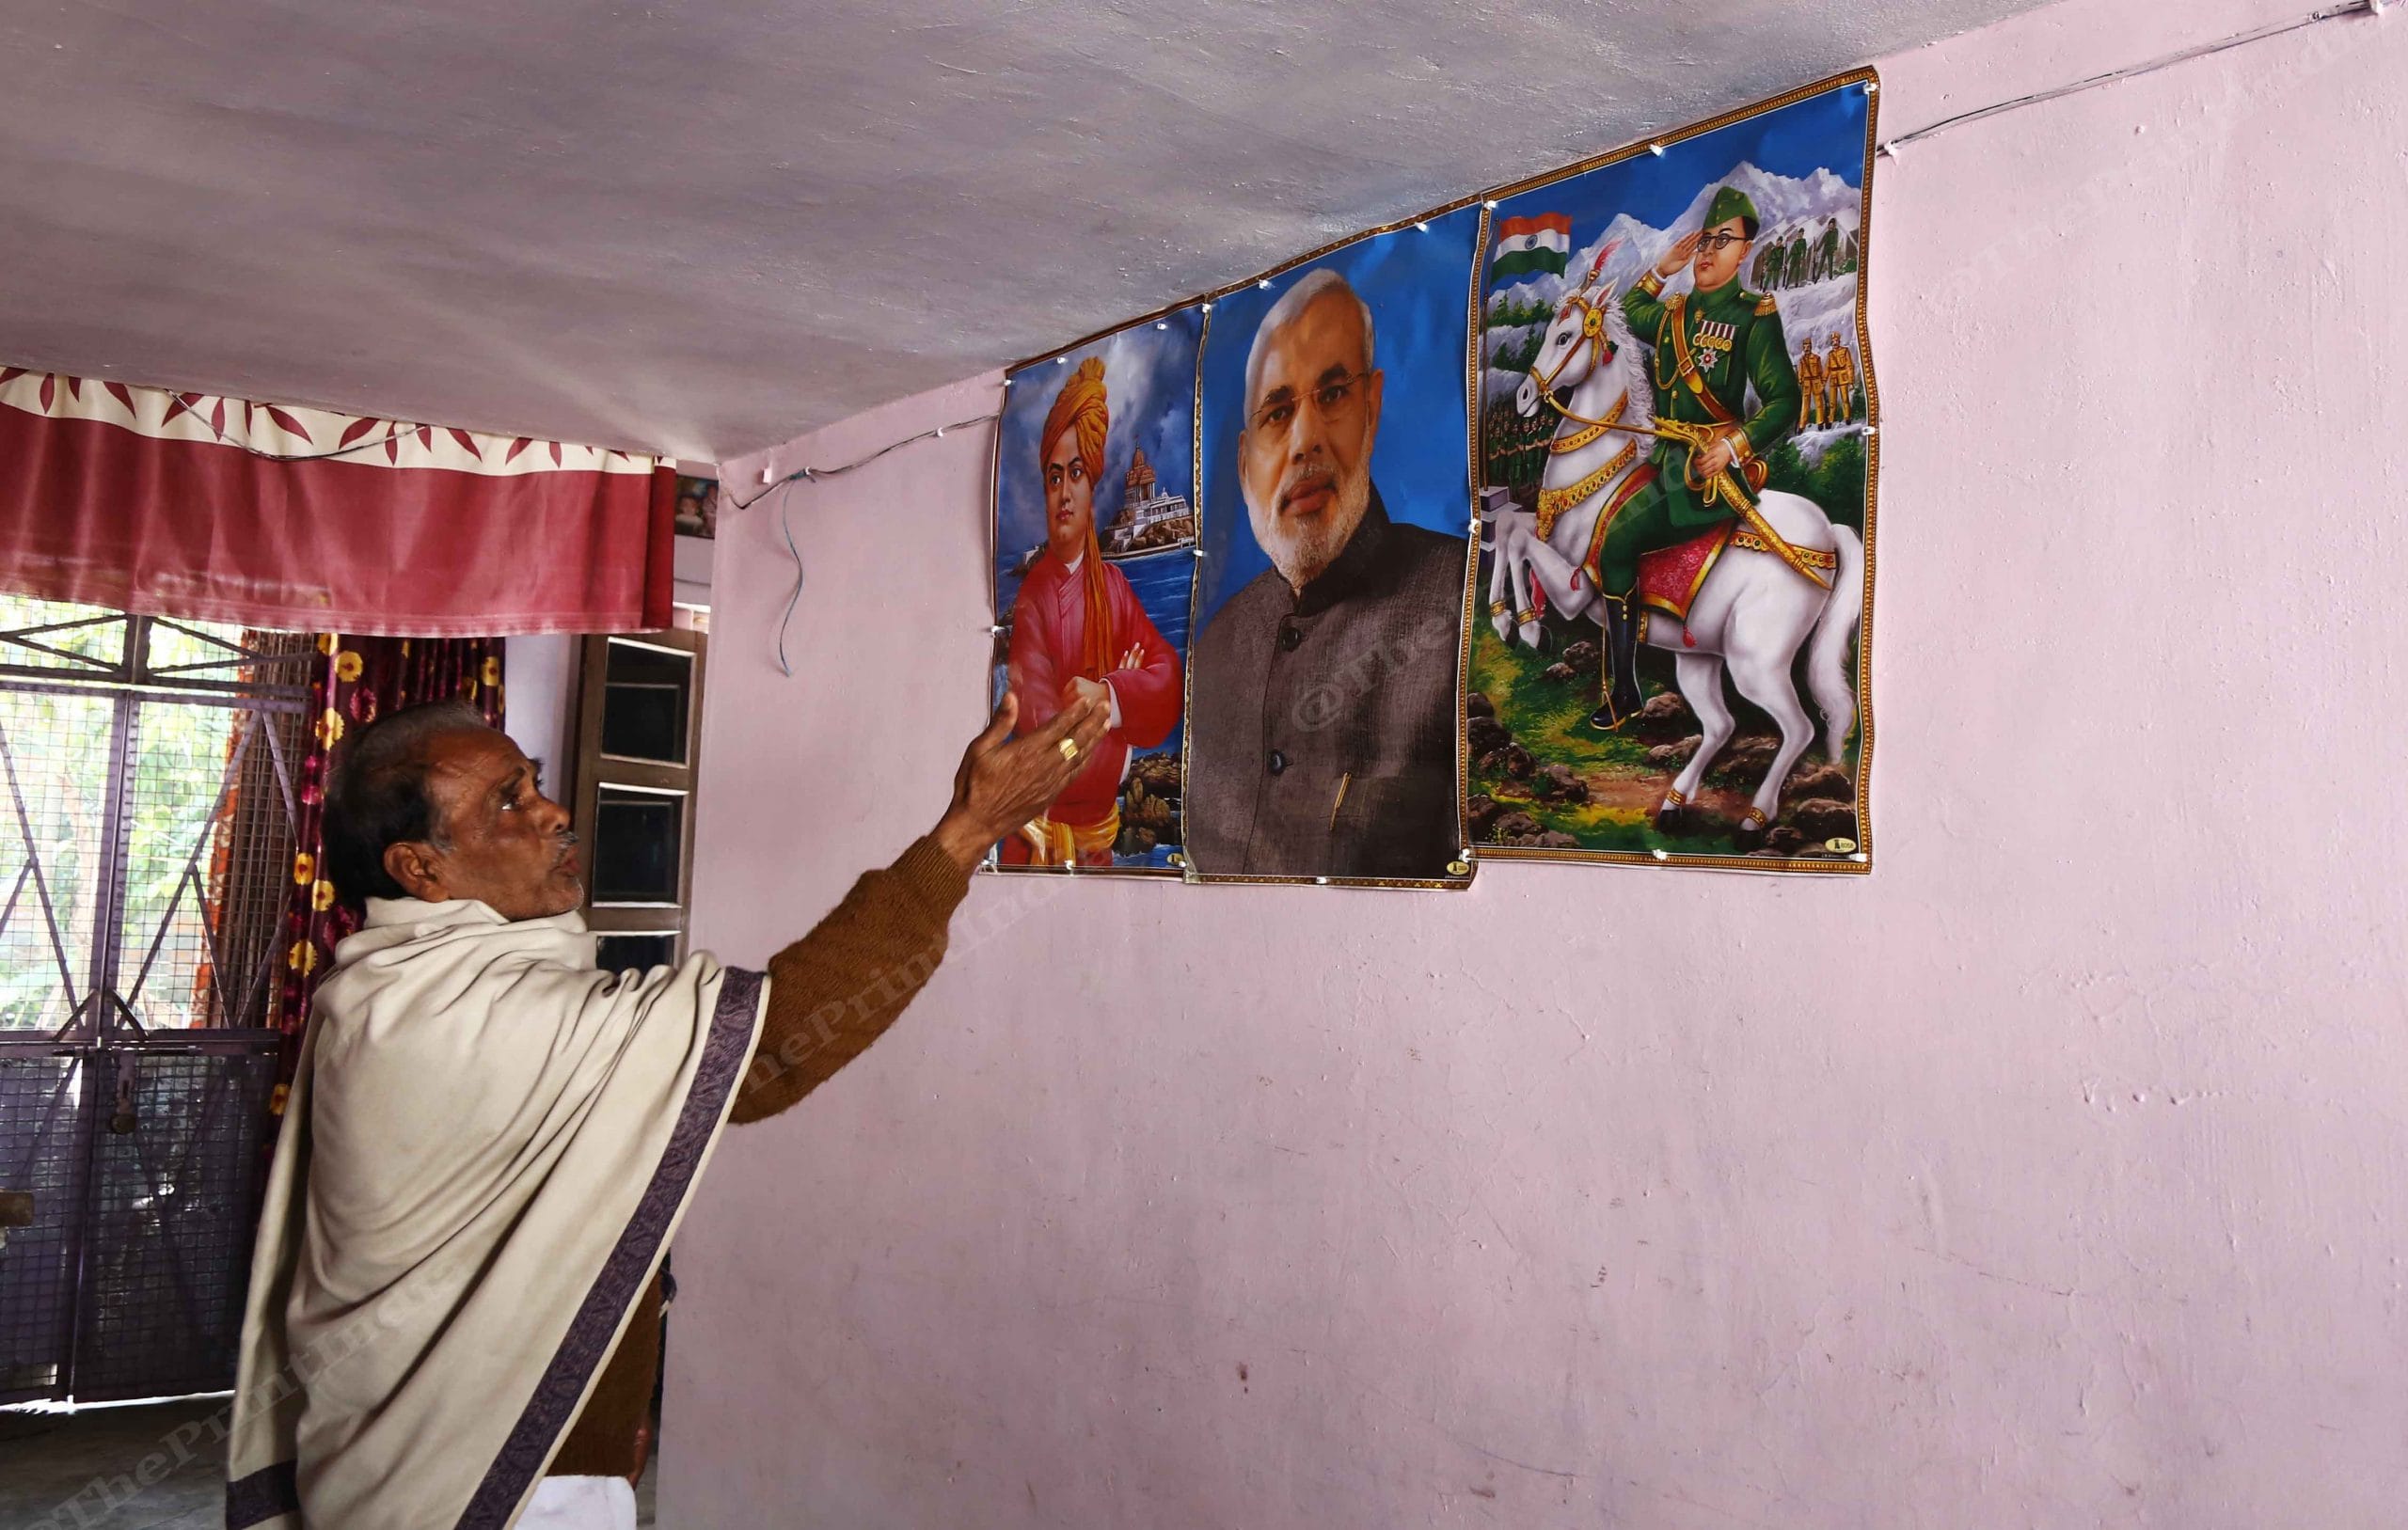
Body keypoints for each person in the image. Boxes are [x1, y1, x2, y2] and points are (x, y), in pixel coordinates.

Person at [225, 690, 1108, 1530]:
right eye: (507, 803)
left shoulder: (390, 991)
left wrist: (606, 1407)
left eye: (532, 782)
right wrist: (969, 832)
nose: (553, 813)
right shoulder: (447, 1020)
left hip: (513, 1462)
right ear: (421, 868)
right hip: (475, 1488)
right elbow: (774, 1049)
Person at [1185, 268, 1466, 880]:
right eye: (1278, 412)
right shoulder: (1215, 653)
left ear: (1373, 405)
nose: (1306, 439)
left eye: (1333, 395)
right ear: (1242, 463)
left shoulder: (1466, 598)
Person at [1585, 184, 1803, 730]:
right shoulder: (1677, 312)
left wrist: (1732, 446)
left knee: (1617, 543)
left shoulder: (1754, 316)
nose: (1707, 252)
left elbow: (1784, 403)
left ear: (1744, 252)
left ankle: (1625, 694)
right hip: (1667, 461)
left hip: (1706, 480)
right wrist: (1661, 268)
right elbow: (1634, 309)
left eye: (1722, 241)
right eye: (1704, 240)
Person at [1001, 355, 1183, 866]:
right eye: (1053, 477)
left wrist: (1106, 696)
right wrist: (1124, 739)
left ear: (1092, 485)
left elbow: (1168, 681)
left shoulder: (1114, 586)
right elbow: (1044, 737)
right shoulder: (1035, 597)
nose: (1063, 492)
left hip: (1100, 848)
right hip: (1040, 851)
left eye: (1075, 473)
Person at [1825, 332, 1859, 424]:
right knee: (1832, 401)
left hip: (1843, 377)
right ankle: (1831, 419)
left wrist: (1851, 381)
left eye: (1836, 341)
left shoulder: (1845, 351)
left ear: (1839, 341)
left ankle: (1847, 417)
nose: (1834, 343)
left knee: (1845, 399)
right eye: (1833, 341)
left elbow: (1849, 366)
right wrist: (1823, 382)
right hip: (1834, 378)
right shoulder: (1830, 354)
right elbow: (1827, 369)